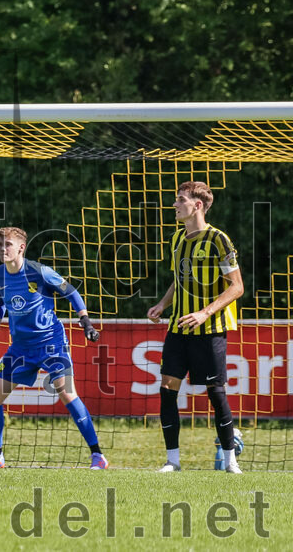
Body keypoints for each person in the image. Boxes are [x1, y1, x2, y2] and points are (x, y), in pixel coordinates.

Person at [0, 227, 108, 470]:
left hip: (51, 343)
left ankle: (97, 455)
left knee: (67, 393)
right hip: (21, 348)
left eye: (8, 245)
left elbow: (71, 292)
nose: (3, 249)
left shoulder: (39, 271)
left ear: (21, 248)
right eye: (0, 245)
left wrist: (86, 322)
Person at [147, 181, 243, 474]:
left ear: (197, 205)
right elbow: (179, 279)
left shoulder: (218, 240)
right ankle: (172, 461)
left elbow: (237, 287)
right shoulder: (177, 239)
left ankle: (230, 460)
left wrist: (205, 312)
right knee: (166, 388)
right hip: (178, 328)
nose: (174, 205)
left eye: (180, 200)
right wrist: (163, 304)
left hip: (210, 328)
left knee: (215, 392)